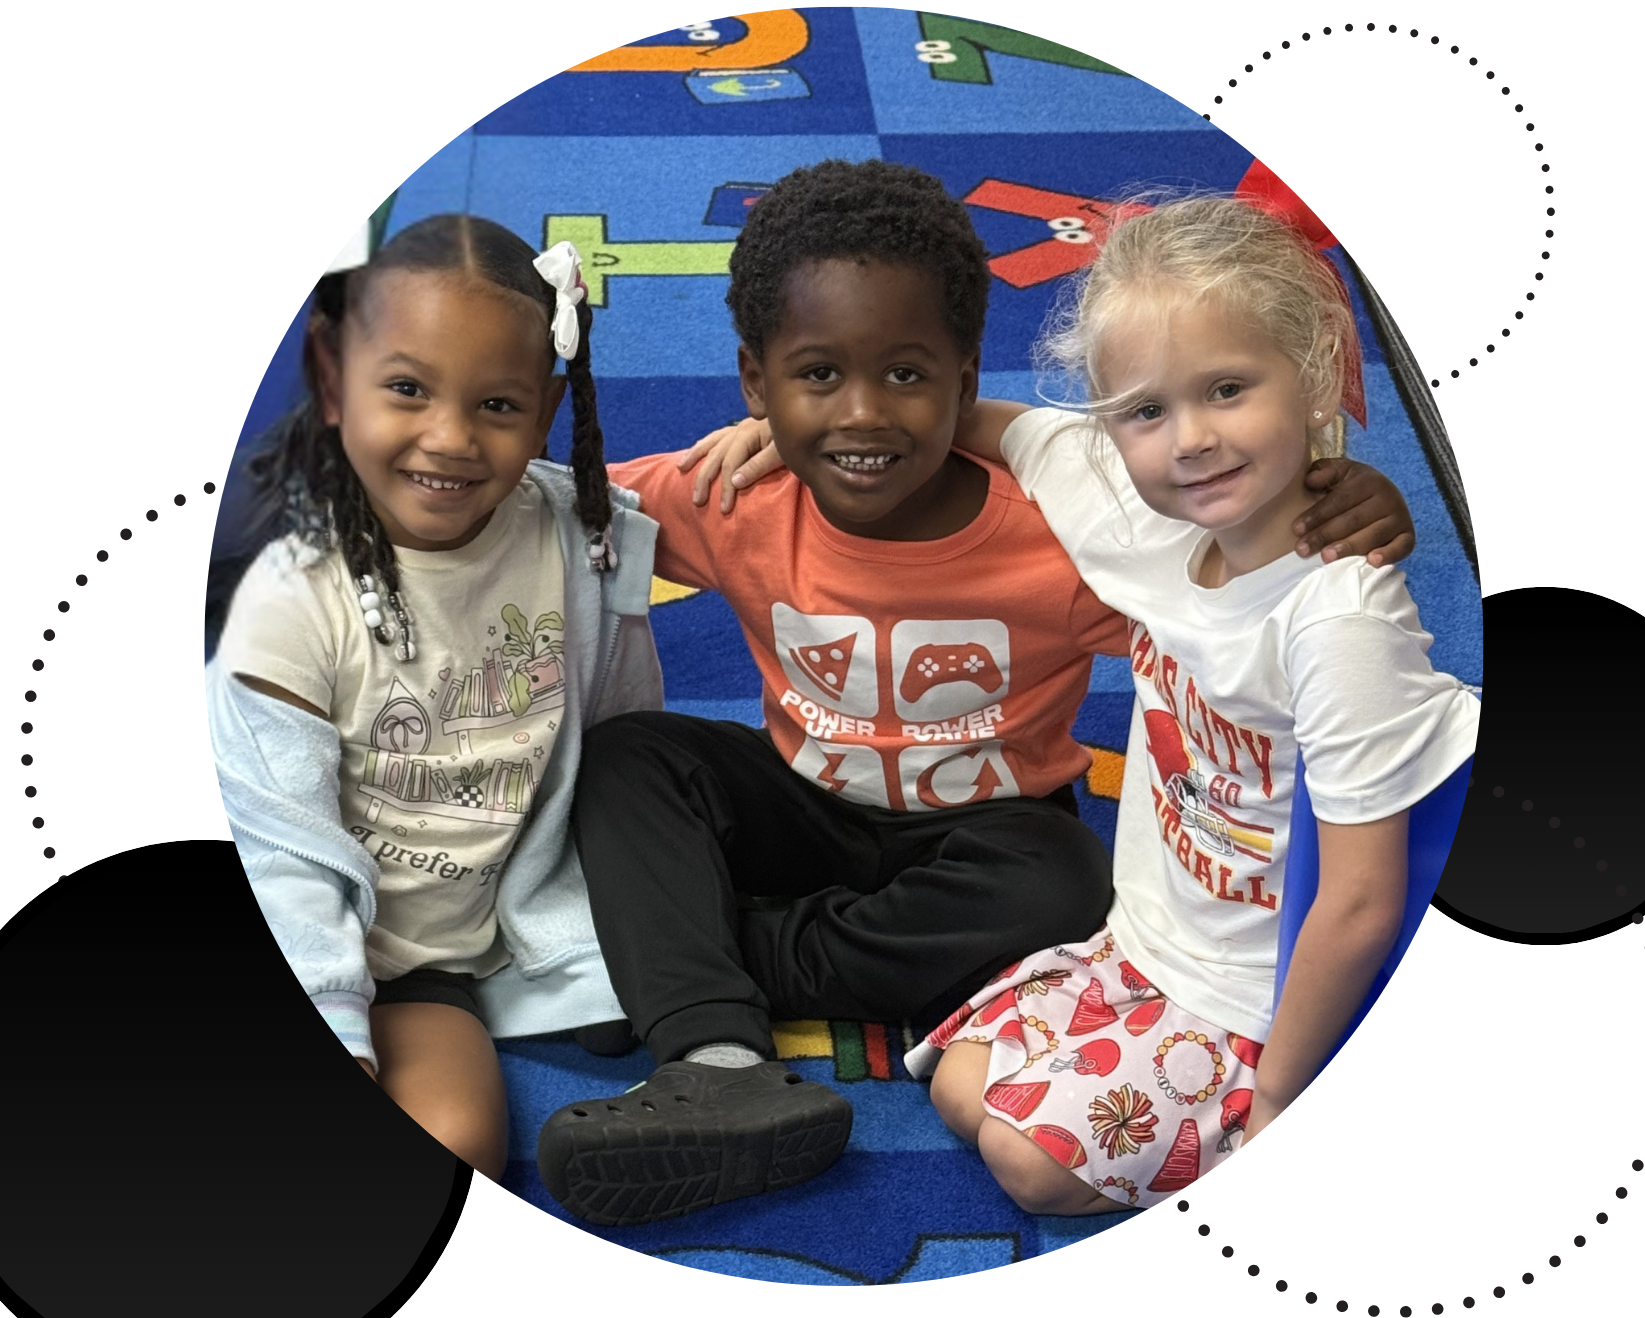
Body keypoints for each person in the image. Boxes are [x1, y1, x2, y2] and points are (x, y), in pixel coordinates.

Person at [536, 162, 1417, 1226]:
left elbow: (1231, 566)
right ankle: (714, 1055)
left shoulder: (1073, 535)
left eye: (907, 374)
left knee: (1062, 880)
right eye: (816, 375)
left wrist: (1347, 489)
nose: (863, 412)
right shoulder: (738, 490)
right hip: (804, 801)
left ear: (963, 378)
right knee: (633, 757)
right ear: (754, 388)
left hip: (987, 838)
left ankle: (678, 958)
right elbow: (564, 511)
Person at [898, 194, 1478, 1214]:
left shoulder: (1335, 618)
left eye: (1226, 388)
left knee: (1027, 1162)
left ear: (1310, 374)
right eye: (1145, 411)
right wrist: (804, 434)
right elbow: (984, 427)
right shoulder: (1132, 499)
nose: (1192, 439)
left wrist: (1280, 1100)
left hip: (1262, 1000)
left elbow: (1357, 903)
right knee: (959, 1085)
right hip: (1148, 939)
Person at [206, 215, 663, 1181]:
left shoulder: (580, 542)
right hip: (288, 917)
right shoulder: (288, 598)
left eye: (497, 404)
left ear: (544, 415)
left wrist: (610, 913)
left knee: (464, 1149)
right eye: (407, 389)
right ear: (337, 385)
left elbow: (626, 736)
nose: (449, 439)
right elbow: (280, 852)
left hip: (437, 958)